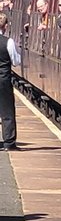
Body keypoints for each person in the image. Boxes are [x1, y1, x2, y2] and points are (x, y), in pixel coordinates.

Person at [0, 13, 21, 151]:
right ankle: (9, 143)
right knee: (7, 111)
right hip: (3, 80)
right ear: (5, 26)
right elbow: (16, 61)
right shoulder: (8, 41)